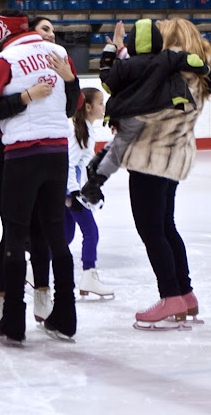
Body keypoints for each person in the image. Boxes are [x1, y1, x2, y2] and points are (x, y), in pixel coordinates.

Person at [0, 12, 80, 344]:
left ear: (2, 33)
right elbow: (70, 108)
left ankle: (14, 320)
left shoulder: (6, 59)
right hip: (57, 152)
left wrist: (23, 97)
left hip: (21, 153)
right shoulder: (59, 54)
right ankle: (65, 316)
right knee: (54, 234)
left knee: (15, 234)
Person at [116, 18, 211, 330]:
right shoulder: (196, 74)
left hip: (151, 157)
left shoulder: (171, 74)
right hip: (171, 159)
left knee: (151, 230)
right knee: (165, 226)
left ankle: (170, 295)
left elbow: (145, 109)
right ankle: (185, 293)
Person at [81, 18, 211, 206]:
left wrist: (110, 52)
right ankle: (95, 175)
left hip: (129, 115)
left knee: (120, 144)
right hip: (152, 115)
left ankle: (96, 177)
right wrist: (204, 68)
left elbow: (107, 83)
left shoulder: (124, 66)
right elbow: (190, 60)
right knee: (122, 145)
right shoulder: (165, 58)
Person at [66, 88, 114, 299]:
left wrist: (92, 187)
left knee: (66, 235)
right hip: (71, 191)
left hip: (71, 190)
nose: (103, 106)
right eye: (100, 102)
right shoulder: (79, 130)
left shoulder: (85, 128)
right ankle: (89, 276)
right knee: (90, 232)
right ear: (88, 106)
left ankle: (32, 267)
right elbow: (69, 164)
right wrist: (74, 193)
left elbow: (83, 165)